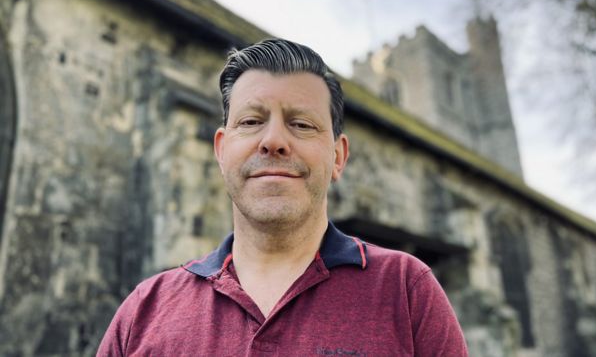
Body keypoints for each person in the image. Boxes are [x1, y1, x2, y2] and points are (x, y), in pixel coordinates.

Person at [97, 38, 468, 356]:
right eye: (251, 121)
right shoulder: (144, 309)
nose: (273, 140)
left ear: (337, 157)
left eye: (301, 124)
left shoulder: (406, 289)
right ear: (222, 151)